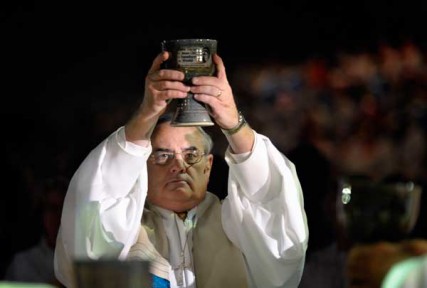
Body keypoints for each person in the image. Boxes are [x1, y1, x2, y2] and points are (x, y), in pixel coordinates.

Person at [54, 51, 309, 288]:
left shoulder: (239, 227)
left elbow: (277, 219)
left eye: (191, 155)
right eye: (163, 155)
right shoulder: (124, 230)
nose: (179, 165)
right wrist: (146, 114)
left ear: (208, 166)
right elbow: (90, 226)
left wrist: (233, 122)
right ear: (141, 168)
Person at [4, 176, 68, 287]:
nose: (59, 216)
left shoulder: (88, 261)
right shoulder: (23, 263)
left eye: (64, 209)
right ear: (43, 213)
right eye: (53, 209)